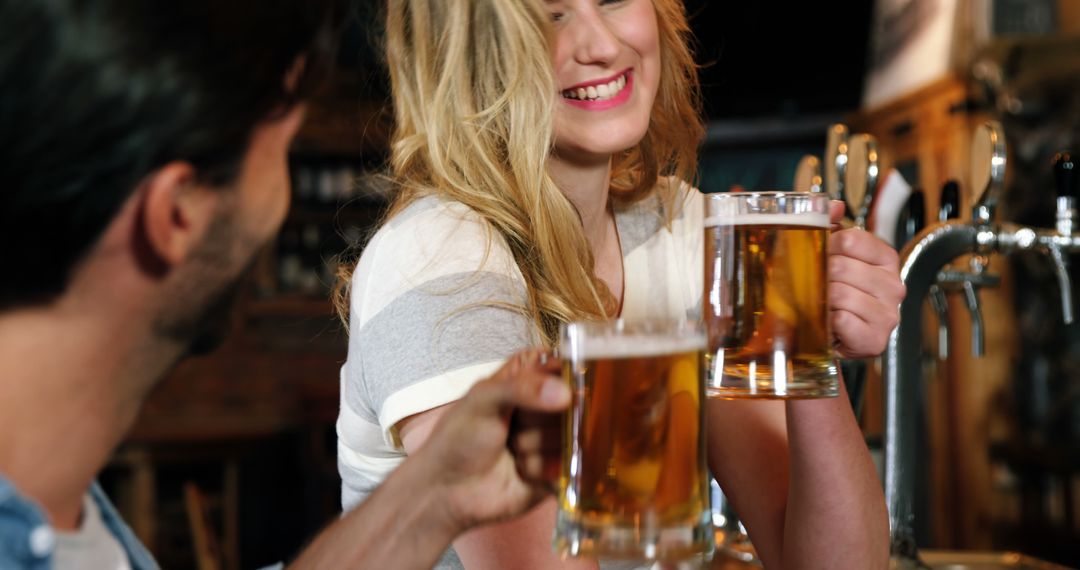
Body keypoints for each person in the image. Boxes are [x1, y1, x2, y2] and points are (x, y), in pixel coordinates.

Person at [335, 0, 906, 568]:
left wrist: (806, 343)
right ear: (469, 55)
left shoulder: (674, 230)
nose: (601, 45)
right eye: (550, 16)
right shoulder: (440, 262)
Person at [0, 1, 569, 568]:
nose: (284, 198)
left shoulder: (66, 509)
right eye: (280, 153)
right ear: (176, 215)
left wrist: (431, 493)